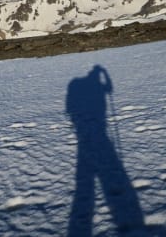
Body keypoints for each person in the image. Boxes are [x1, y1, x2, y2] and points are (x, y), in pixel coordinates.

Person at [66, 65, 145, 236]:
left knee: (85, 173)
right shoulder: (93, 84)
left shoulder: (77, 85)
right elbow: (109, 88)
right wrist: (105, 74)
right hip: (98, 125)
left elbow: (71, 105)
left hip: (87, 126)